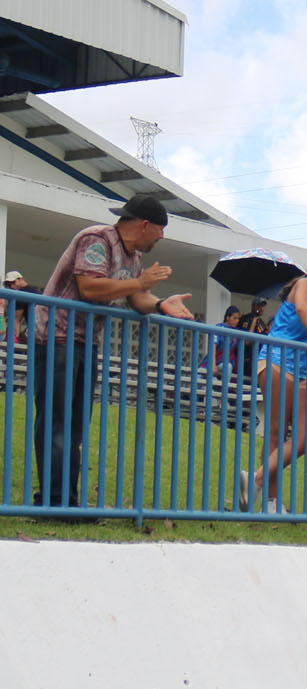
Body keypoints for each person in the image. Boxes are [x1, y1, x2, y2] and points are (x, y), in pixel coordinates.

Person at [31, 194, 193, 509]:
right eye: (161, 229)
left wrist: (161, 304)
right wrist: (140, 284)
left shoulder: (134, 258)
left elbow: (138, 298)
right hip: (57, 336)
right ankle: (52, 501)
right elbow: (90, 287)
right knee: (56, 421)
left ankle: (67, 501)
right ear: (146, 225)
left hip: (86, 341)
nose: (161, 237)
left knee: (76, 424)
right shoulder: (96, 239)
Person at [239, 247, 307, 514]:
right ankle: (271, 502)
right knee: (277, 433)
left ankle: (255, 479)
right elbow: (302, 309)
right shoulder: (304, 284)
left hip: (300, 368)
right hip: (276, 359)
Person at [3, 269, 31, 341]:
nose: (11, 286)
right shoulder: (36, 292)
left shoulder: (20, 295)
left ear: (21, 279)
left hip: (38, 332)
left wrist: (14, 340)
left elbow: (16, 320)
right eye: (9, 285)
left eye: (13, 282)